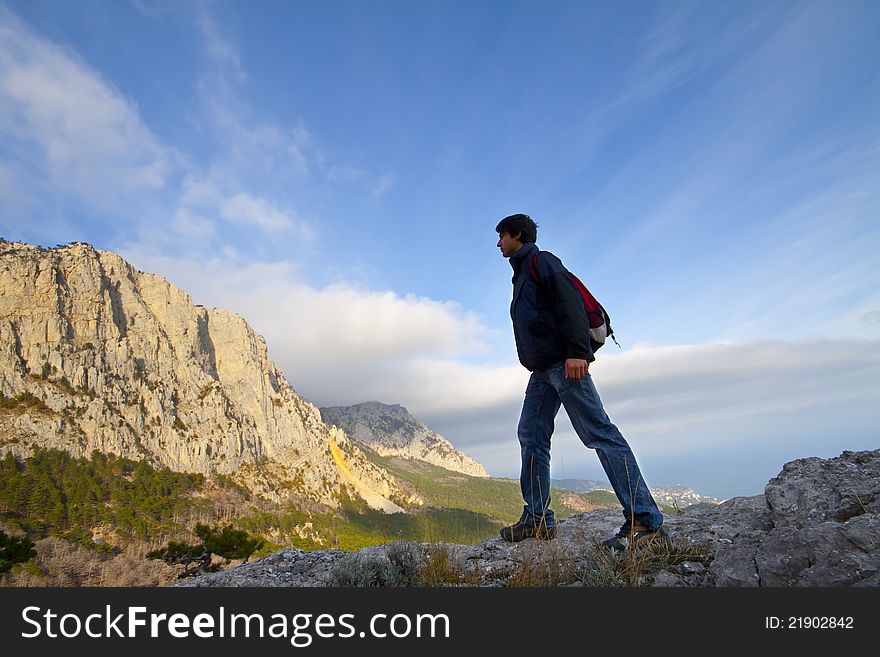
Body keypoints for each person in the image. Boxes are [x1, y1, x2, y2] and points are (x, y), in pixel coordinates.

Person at [495, 213, 666, 550]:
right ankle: (538, 519)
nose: (498, 243)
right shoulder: (522, 274)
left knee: (599, 433)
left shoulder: (542, 262)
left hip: (565, 364)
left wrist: (577, 352)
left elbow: (569, 303)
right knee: (531, 435)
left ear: (518, 235)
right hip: (543, 371)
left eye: (502, 236)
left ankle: (646, 520)